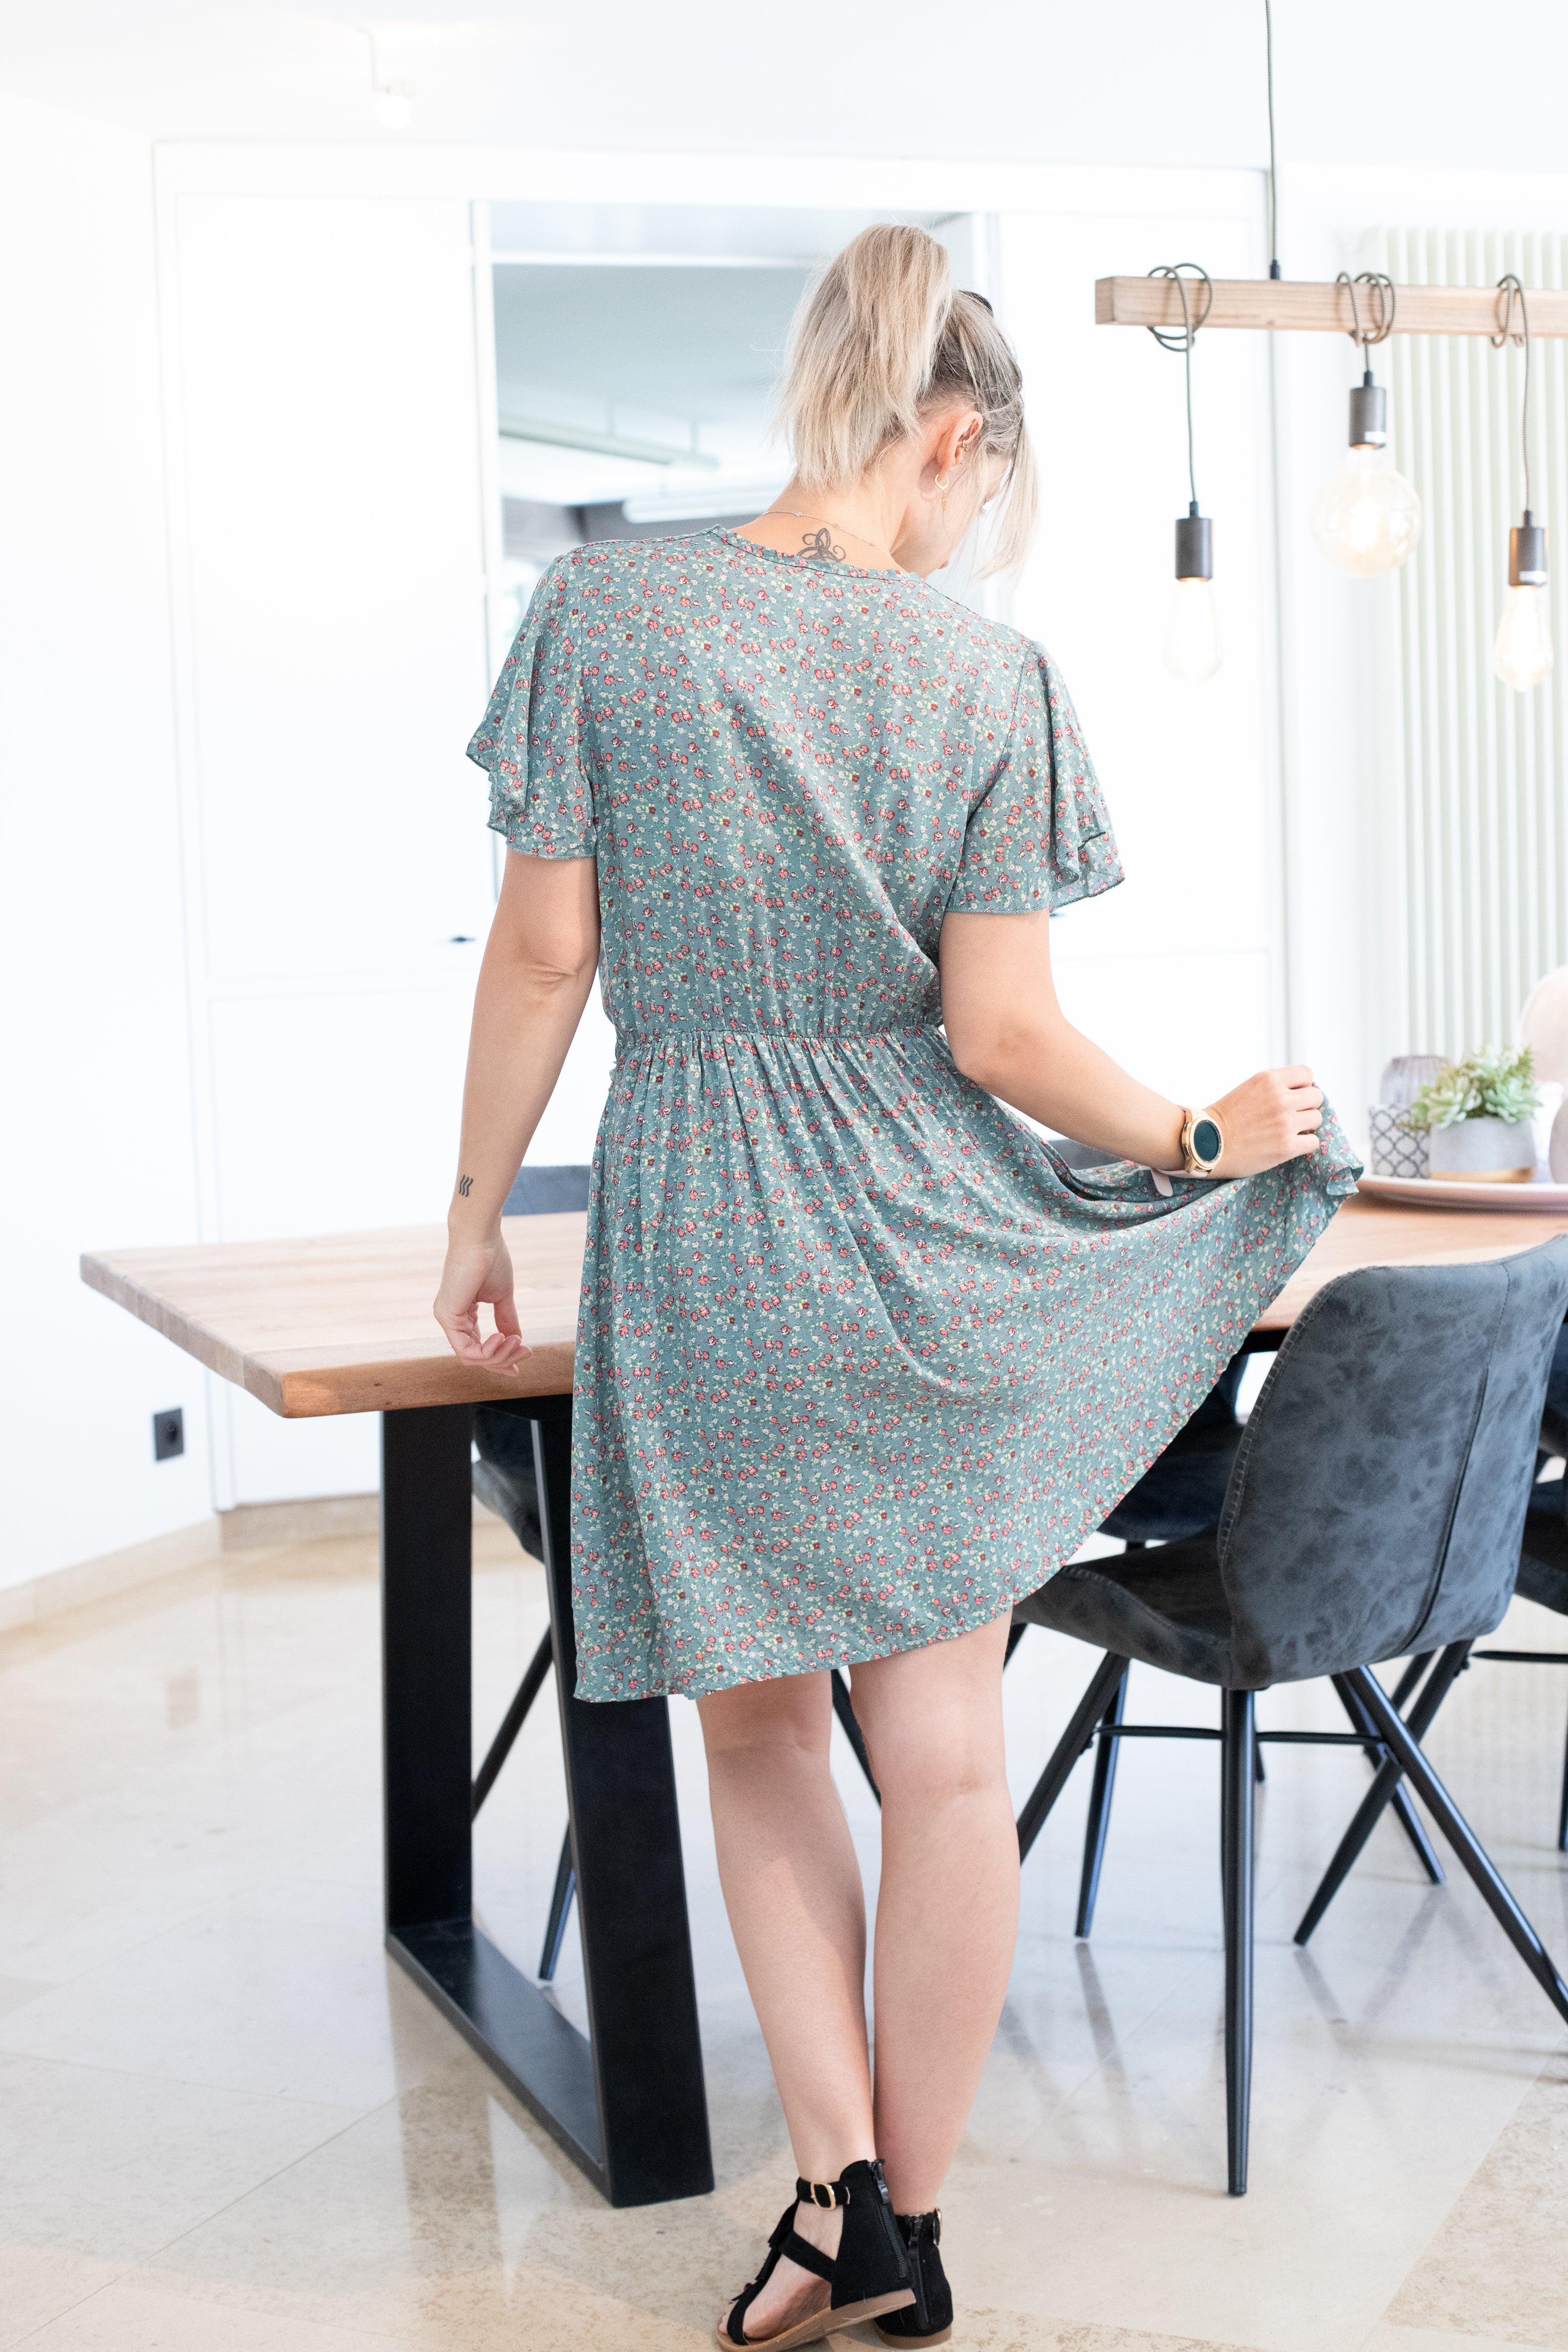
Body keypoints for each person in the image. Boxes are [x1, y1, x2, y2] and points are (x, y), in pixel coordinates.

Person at [436, 224, 1357, 2351]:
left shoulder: (601, 613)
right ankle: (914, 2233)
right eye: (983, 491)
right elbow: (1002, 1039)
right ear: (952, 438)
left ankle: (828, 2198)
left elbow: (548, 957)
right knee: (942, 1750)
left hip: (702, 1220)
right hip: (921, 1237)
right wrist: (1202, 1139)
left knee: (762, 1726)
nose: (968, 531)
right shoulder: (985, 679)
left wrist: (475, 1212)